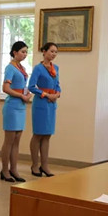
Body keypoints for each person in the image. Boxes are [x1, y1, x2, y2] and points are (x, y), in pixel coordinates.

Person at [0, 41, 32, 182]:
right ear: (15, 52)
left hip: (21, 106)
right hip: (12, 106)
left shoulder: (22, 68)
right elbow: (6, 88)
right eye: (22, 52)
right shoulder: (10, 68)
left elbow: (23, 86)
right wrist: (20, 95)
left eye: (26, 52)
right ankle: (4, 170)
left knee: (17, 140)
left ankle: (14, 169)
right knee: (9, 140)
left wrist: (27, 94)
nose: (25, 54)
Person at [28, 42, 61, 177]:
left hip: (51, 104)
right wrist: (46, 94)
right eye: (51, 51)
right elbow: (31, 86)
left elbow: (57, 85)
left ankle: (45, 165)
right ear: (44, 51)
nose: (53, 54)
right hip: (41, 103)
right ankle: (35, 165)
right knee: (38, 134)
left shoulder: (56, 68)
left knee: (47, 135)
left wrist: (57, 94)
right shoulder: (38, 68)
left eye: (55, 52)